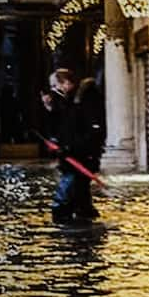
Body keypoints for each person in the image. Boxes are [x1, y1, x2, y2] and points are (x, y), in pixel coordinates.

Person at [40, 68, 104, 225]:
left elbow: (89, 130)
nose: (55, 90)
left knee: (67, 192)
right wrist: (50, 110)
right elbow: (62, 126)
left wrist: (71, 148)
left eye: (56, 86)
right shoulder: (68, 101)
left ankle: (63, 217)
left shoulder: (85, 100)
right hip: (73, 155)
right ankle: (83, 218)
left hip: (80, 155)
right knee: (80, 192)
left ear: (66, 83)